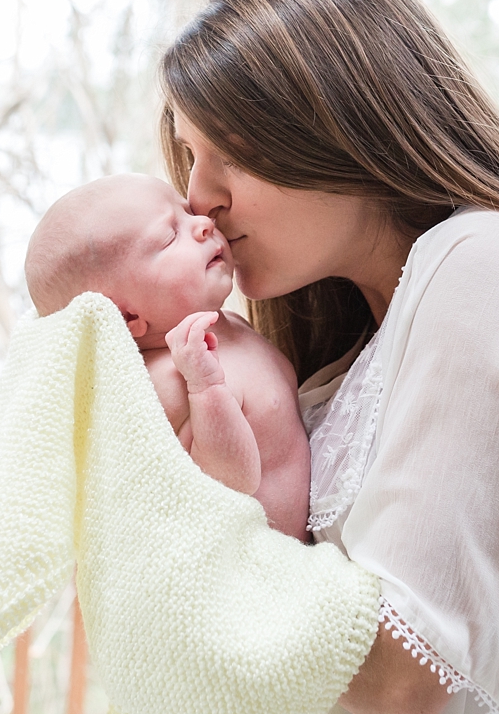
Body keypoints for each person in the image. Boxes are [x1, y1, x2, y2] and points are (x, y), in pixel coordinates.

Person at [158, 0, 499, 714]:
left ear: (338, 121)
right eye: (190, 157)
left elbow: (404, 681)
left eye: (227, 149)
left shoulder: (484, 263)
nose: (198, 197)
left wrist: (155, 536)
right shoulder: (351, 359)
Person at [24, 173, 311, 542]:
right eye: (170, 235)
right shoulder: (169, 384)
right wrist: (206, 388)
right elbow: (231, 484)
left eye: (186, 211)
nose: (205, 224)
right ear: (128, 317)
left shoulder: (232, 325)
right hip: (257, 575)